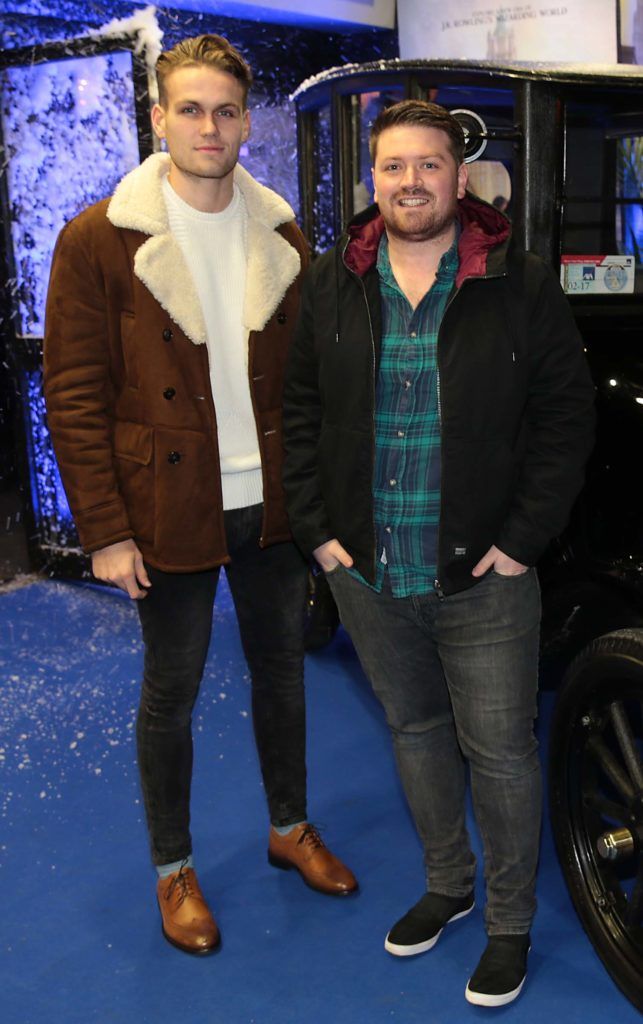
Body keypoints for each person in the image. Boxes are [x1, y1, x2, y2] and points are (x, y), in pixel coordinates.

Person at [44, 33, 357, 958]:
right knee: (170, 691)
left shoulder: (283, 233)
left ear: (245, 121)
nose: (208, 126)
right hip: (163, 505)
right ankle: (173, 868)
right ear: (158, 117)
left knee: (282, 672)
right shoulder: (99, 238)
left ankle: (288, 824)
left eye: (225, 110)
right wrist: (103, 528)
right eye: (189, 108)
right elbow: (73, 392)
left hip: (269, 500)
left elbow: (308, 387)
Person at [282, 100, 595, 1006]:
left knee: (498, 752)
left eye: (427, 165)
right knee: (415, 732)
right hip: (368, 570)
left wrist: (520, 541)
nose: (409, 182)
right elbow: (298, 414)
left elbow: (563, 422)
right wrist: (321, 535)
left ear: (460, 179)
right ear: (371, 182)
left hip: (482, 574)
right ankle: (448, 885)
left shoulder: (519, 282)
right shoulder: (332, 281)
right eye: (392, 168)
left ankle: (507, 923)